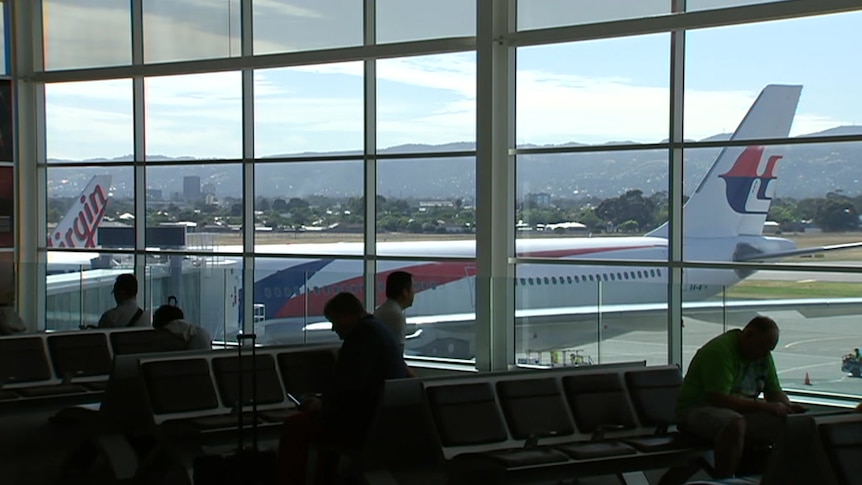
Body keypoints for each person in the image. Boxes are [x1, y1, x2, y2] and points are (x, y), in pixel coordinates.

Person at [277, 292, 409, 485]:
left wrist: (323, 405)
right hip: (380, 421)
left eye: (334, 321)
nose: (333, 328)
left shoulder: (362, 336)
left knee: (295, 426)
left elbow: (351, 388)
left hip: (361, 424)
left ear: (347, 314)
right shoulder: (378, 330)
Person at [676, 316, 806, 478]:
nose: (764, 354)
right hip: (696, 409)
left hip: (738, 411)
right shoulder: (720, 352)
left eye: (769, 350)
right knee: (734, 424)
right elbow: (718, 399)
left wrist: (787, 407)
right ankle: (725, 480)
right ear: (749, 334)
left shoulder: (763, 354)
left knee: (792, 425)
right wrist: (764, 406)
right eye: (762, 347)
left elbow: (773, 391)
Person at [373, 271, 415, 350]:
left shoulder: (383, 310)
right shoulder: (396, 317)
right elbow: (397, 355)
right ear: (405, 292)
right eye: (413, 288)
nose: (414, 293)